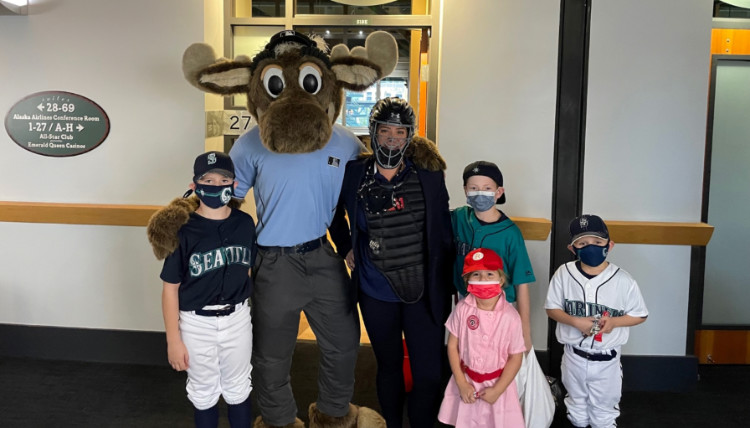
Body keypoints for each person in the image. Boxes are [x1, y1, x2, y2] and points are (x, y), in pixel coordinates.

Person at [333, 97, 454, 428]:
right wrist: (346, 247)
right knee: (387, 366)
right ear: (372, 132)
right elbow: (333, 216)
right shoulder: (353, 174)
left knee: (428, 373)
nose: (391, 138)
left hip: (423, 291)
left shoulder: (429, 176)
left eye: (399, 132)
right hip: (375, 290)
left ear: (409, 136)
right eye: (384, 130)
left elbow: (443, 232)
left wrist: (450, 287)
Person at [159, 151, 255, 428]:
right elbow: (170, 289)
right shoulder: (183, 230)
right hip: (196, 322)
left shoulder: (244, 223)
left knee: (238, 387)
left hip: (236, 317)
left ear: (234, 184)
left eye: (223, 179)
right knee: (203, 391)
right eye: (207, 179)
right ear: (194, 185)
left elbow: (247, 268)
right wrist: (173, 340)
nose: (215, 185)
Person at [545, 214, 649, 428]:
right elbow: (552, 309)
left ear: (609, 245)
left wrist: (615, 323)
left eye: (597, 242)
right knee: (576, 411)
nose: (590, 247)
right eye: (582, 243)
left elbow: (640, 314)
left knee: (603, 414)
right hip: (573, 355)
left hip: (607, 360)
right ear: (573, 248)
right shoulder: (564, 273)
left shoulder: (623, 280)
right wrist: (575, 321)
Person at [452, 161, 536, 352]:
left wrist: (525, 332)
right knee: (468, 358)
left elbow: (522, 283)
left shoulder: (510, 233)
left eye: (487, 188)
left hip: (500, 309)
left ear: (498, 192)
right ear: (465, 190)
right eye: (473, 188)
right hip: (466, 306)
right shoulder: (458, 218)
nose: (479, 193)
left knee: (497, 360)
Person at [438, 248, 525, 427]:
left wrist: (498, 390)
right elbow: (452, 346)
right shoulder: (462, 309)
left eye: (489, 274)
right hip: (466, 382)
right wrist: (461, 383)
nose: (483, 279)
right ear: (467, 280)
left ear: (501, 279)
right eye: (476, 274)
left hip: (498, 388)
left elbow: (516, 356)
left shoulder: (511, 316)